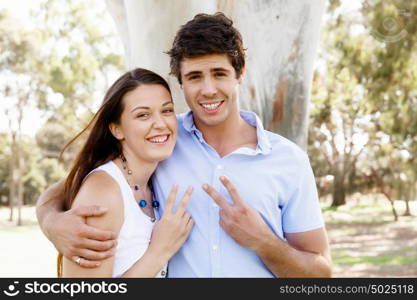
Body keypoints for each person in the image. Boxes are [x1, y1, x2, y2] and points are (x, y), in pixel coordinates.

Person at [37, 12, 332, 277]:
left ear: (240, 74)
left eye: (219, 74)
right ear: (181, 82)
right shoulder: (159, 140)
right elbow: (85, 180)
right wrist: (51, 221)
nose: (208, 90)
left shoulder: (288, 160)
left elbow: (321, 273)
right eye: (194, 77)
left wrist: (263, 242)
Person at [52, 68, 194, 277]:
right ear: (116, 129)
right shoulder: (104, 193)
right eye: (143, 115)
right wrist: (159, 252)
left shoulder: (154, 176)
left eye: (166, 110)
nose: (160, 124)